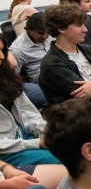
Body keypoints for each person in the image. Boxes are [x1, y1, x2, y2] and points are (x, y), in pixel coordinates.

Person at [40, 5, 91, 105]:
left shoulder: (89, 50)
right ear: (61, 28)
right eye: (79, 25)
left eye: (84, 24)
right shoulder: (53, 63)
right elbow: (86, 96)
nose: (85, 29)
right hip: (82, 114)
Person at [0, 33, 60, 166]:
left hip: (24, 139)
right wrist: (37, 143)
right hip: (6, 150)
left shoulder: (6, 79)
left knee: (75, 150)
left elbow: (30, 115)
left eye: (2, 50)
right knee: (62, 161)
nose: (2, 57)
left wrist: (48, 133)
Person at [8, 12, 52, 84]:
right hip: (40, 76)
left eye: (47, 33)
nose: (44, 36)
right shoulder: (18, 49)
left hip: (59, 67)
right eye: (40, 33)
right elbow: (12, 77)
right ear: (29, 30)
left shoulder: (51, 35)